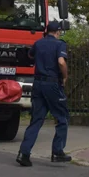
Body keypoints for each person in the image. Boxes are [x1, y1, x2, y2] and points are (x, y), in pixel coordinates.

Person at [16, 20, 71, 167]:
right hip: (52, 84)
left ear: (46, 31)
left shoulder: (38, 43)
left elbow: (30, 55)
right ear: (58, 32)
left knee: (36, 119)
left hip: (38, 84)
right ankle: (57, 152)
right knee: (62, 117)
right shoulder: (60, 44)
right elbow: (61, 62)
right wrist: (65, 76)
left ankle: (24, 153)